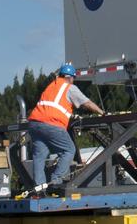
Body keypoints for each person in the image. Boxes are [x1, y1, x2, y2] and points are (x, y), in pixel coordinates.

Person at [26, 63, 102, 195]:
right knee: (69, 150)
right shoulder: (70, 88)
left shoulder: (51, 86)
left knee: (39, 156)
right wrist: (102, 112)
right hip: (52, 124)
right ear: (71, 78)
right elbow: (87, 103)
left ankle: (39, 189)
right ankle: (56, 182)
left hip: (34, 123)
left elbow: (53, 106)